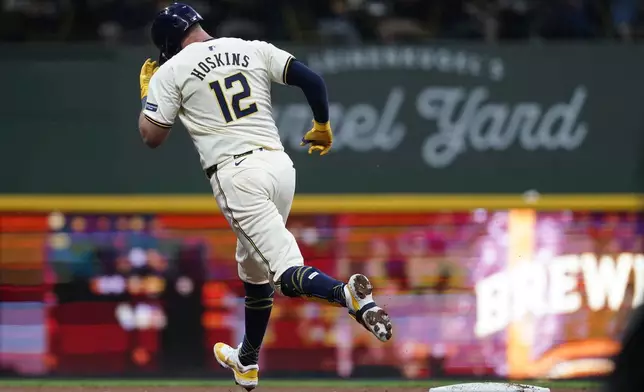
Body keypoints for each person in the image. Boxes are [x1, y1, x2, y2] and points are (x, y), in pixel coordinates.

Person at [137, 3, 393, 390]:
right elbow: (312, 79)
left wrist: (149, 97)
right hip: (280, 169)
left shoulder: (171, 70)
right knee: (254, 272)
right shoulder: (250, 47)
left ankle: (350, 298)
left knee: (286, 273)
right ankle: (247, 361)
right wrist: (321, 123)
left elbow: (151, 136)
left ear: (169, 43)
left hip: (238, 176)